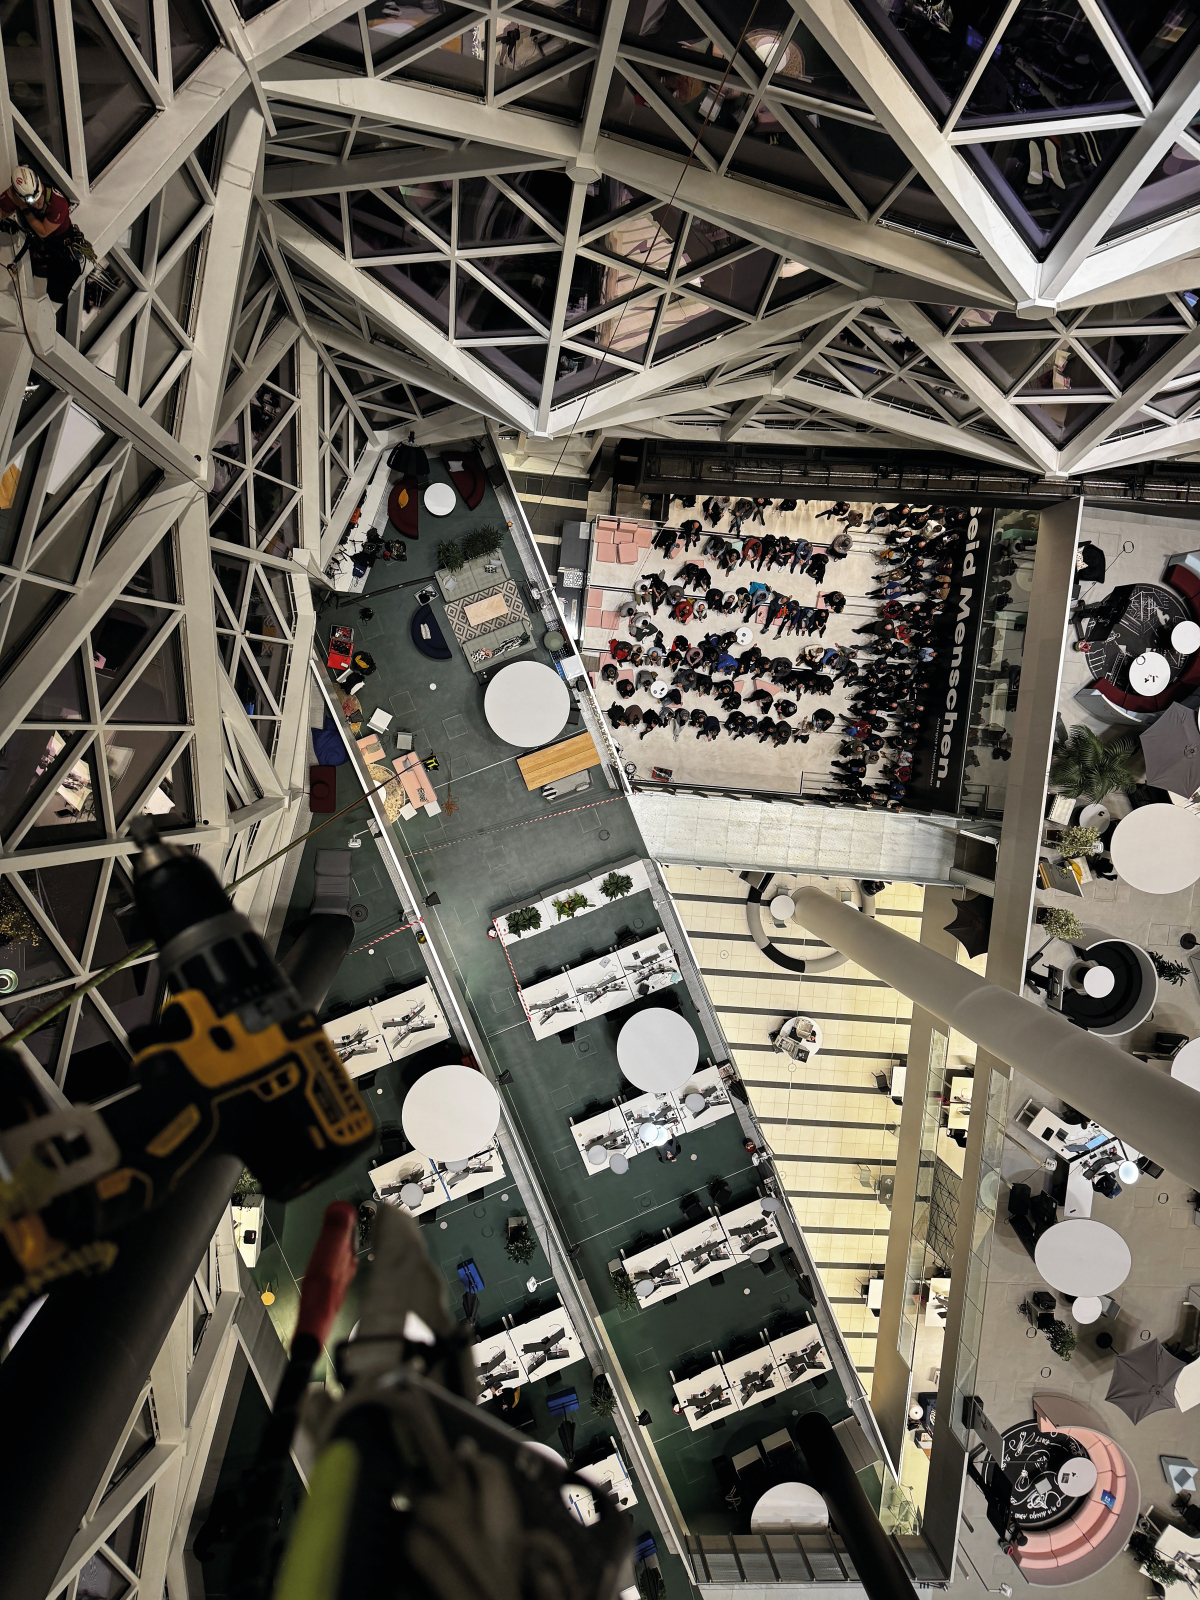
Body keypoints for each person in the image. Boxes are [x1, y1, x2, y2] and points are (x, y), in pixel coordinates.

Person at [0, 166, 91, 304]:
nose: (37, 204)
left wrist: (24, 207)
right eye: (32, 202)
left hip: (60, 243)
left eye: (39, 198)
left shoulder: (58, 204)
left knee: (59, 290)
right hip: (40, 242)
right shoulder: (16, 193)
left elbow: (43, 231)